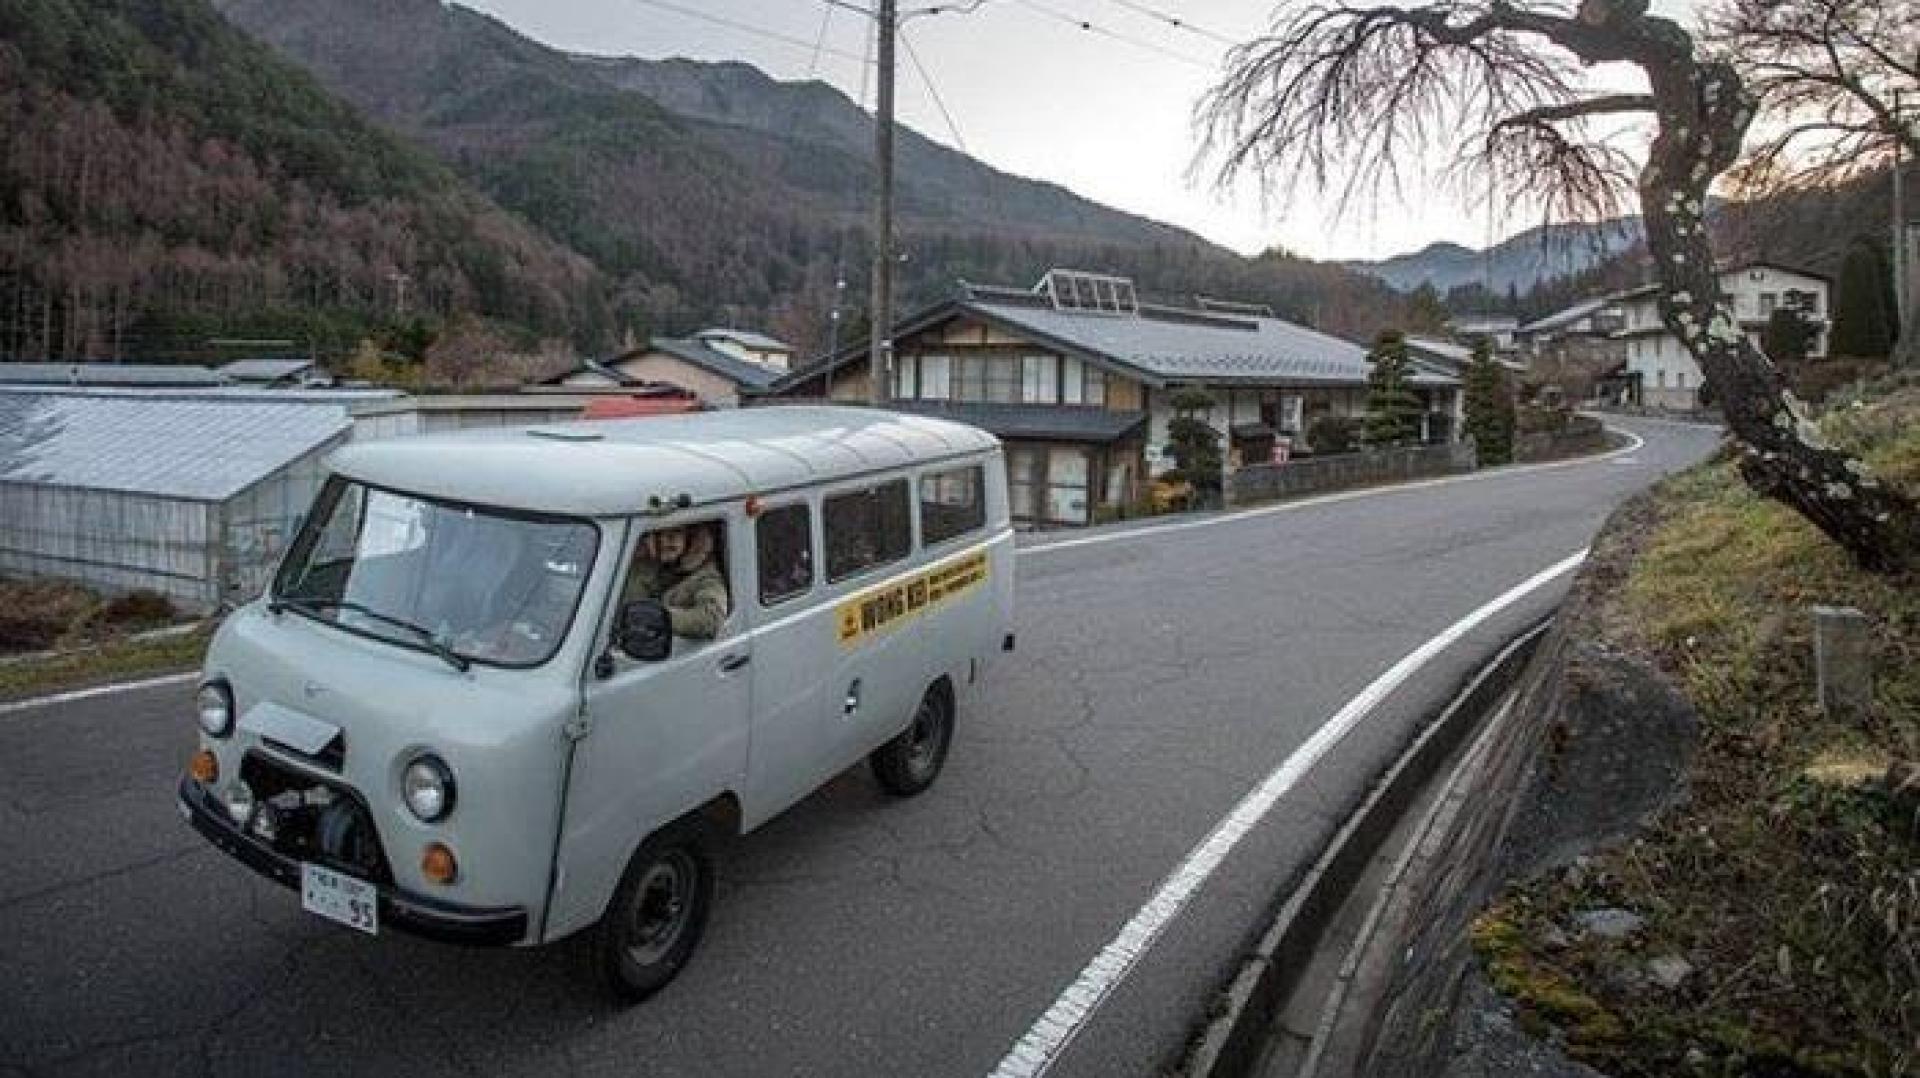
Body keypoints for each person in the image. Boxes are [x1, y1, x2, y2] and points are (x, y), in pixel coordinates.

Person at [624, 523, 730, 641]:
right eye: (659, 533)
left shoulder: (706, 576)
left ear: (691, 538)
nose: (665, 541)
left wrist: (658, 618)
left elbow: (712, 618)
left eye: (676, 532)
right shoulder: (646, 565)